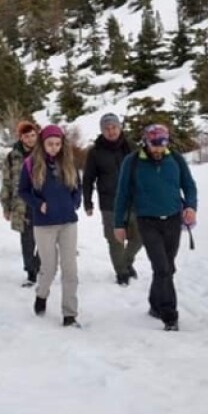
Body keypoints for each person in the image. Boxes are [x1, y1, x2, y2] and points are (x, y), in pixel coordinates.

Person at [113, 124, 198, 332]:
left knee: (167, 267)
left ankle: (154, 303)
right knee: (162, 268)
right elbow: (122, 194)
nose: (158, 149)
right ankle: (170, 316)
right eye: (154, 144)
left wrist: (191, 206)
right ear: (146, 142)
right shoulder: (132, 162)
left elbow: (189, 186)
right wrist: (118, 224)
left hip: (172, 220)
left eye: (162, 144)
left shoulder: (175, 160)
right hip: (147, 221)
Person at [18, 124, 82, 327]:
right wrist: (39, 204)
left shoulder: (68, 162)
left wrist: (74, 202)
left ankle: (69, 314)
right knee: (49, 267)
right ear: (42, 144)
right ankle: (41, 294)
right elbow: (23, 191)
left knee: (70, 269)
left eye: (57, 144)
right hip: (44, 224)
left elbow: (77, 187)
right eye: (50, 144)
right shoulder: (30, 164)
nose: (54, 147)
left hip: (68, 222)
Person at [83, 113, 141, 285]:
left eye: (114, 127)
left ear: (119, 127)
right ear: (102, 131)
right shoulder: (95, 152)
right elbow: (88, 178)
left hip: (134, 201)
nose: (111, 131)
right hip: (110, 203)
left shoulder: (132, 147)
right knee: (115, 240)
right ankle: (121, 271)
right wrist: (88, 201)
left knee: (140, 236)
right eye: (106, 128)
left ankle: (127, 260)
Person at [1, 121, 42, 287]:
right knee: (27, 239)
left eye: (33, 135)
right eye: (27, 136)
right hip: (21, 204)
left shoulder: (44, 153)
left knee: (46, 238)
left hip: (42, 202)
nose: (31, 139)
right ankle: (31, 272)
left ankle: (38, 264)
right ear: (21, 138)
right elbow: (7, 182)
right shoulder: (13, 157)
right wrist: (6, 205)